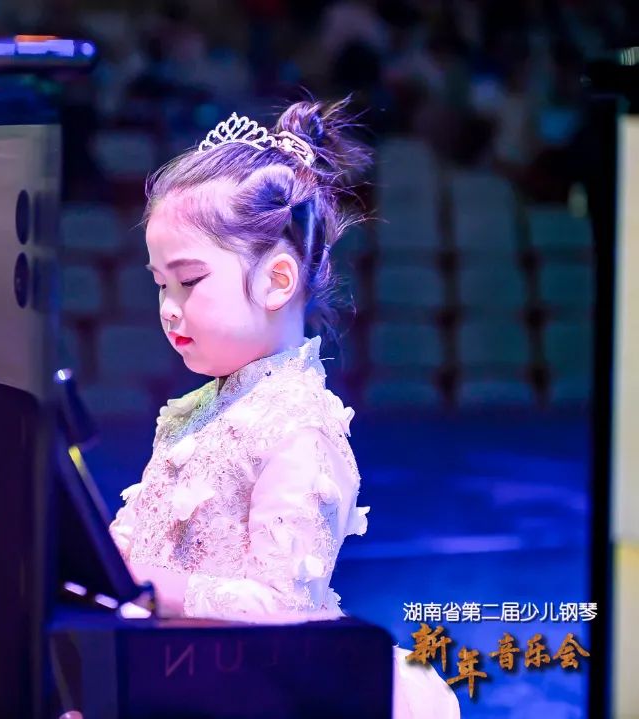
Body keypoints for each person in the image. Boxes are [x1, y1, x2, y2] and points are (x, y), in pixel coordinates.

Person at [107, 98, 460, 717]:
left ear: (276, 280)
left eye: (189, 281)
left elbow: (285, 608)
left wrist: (160, 588)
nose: (167, 307)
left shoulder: (299, 426)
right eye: (160, 284)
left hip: (249, 692)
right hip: (171, 676)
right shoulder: (198, 410)